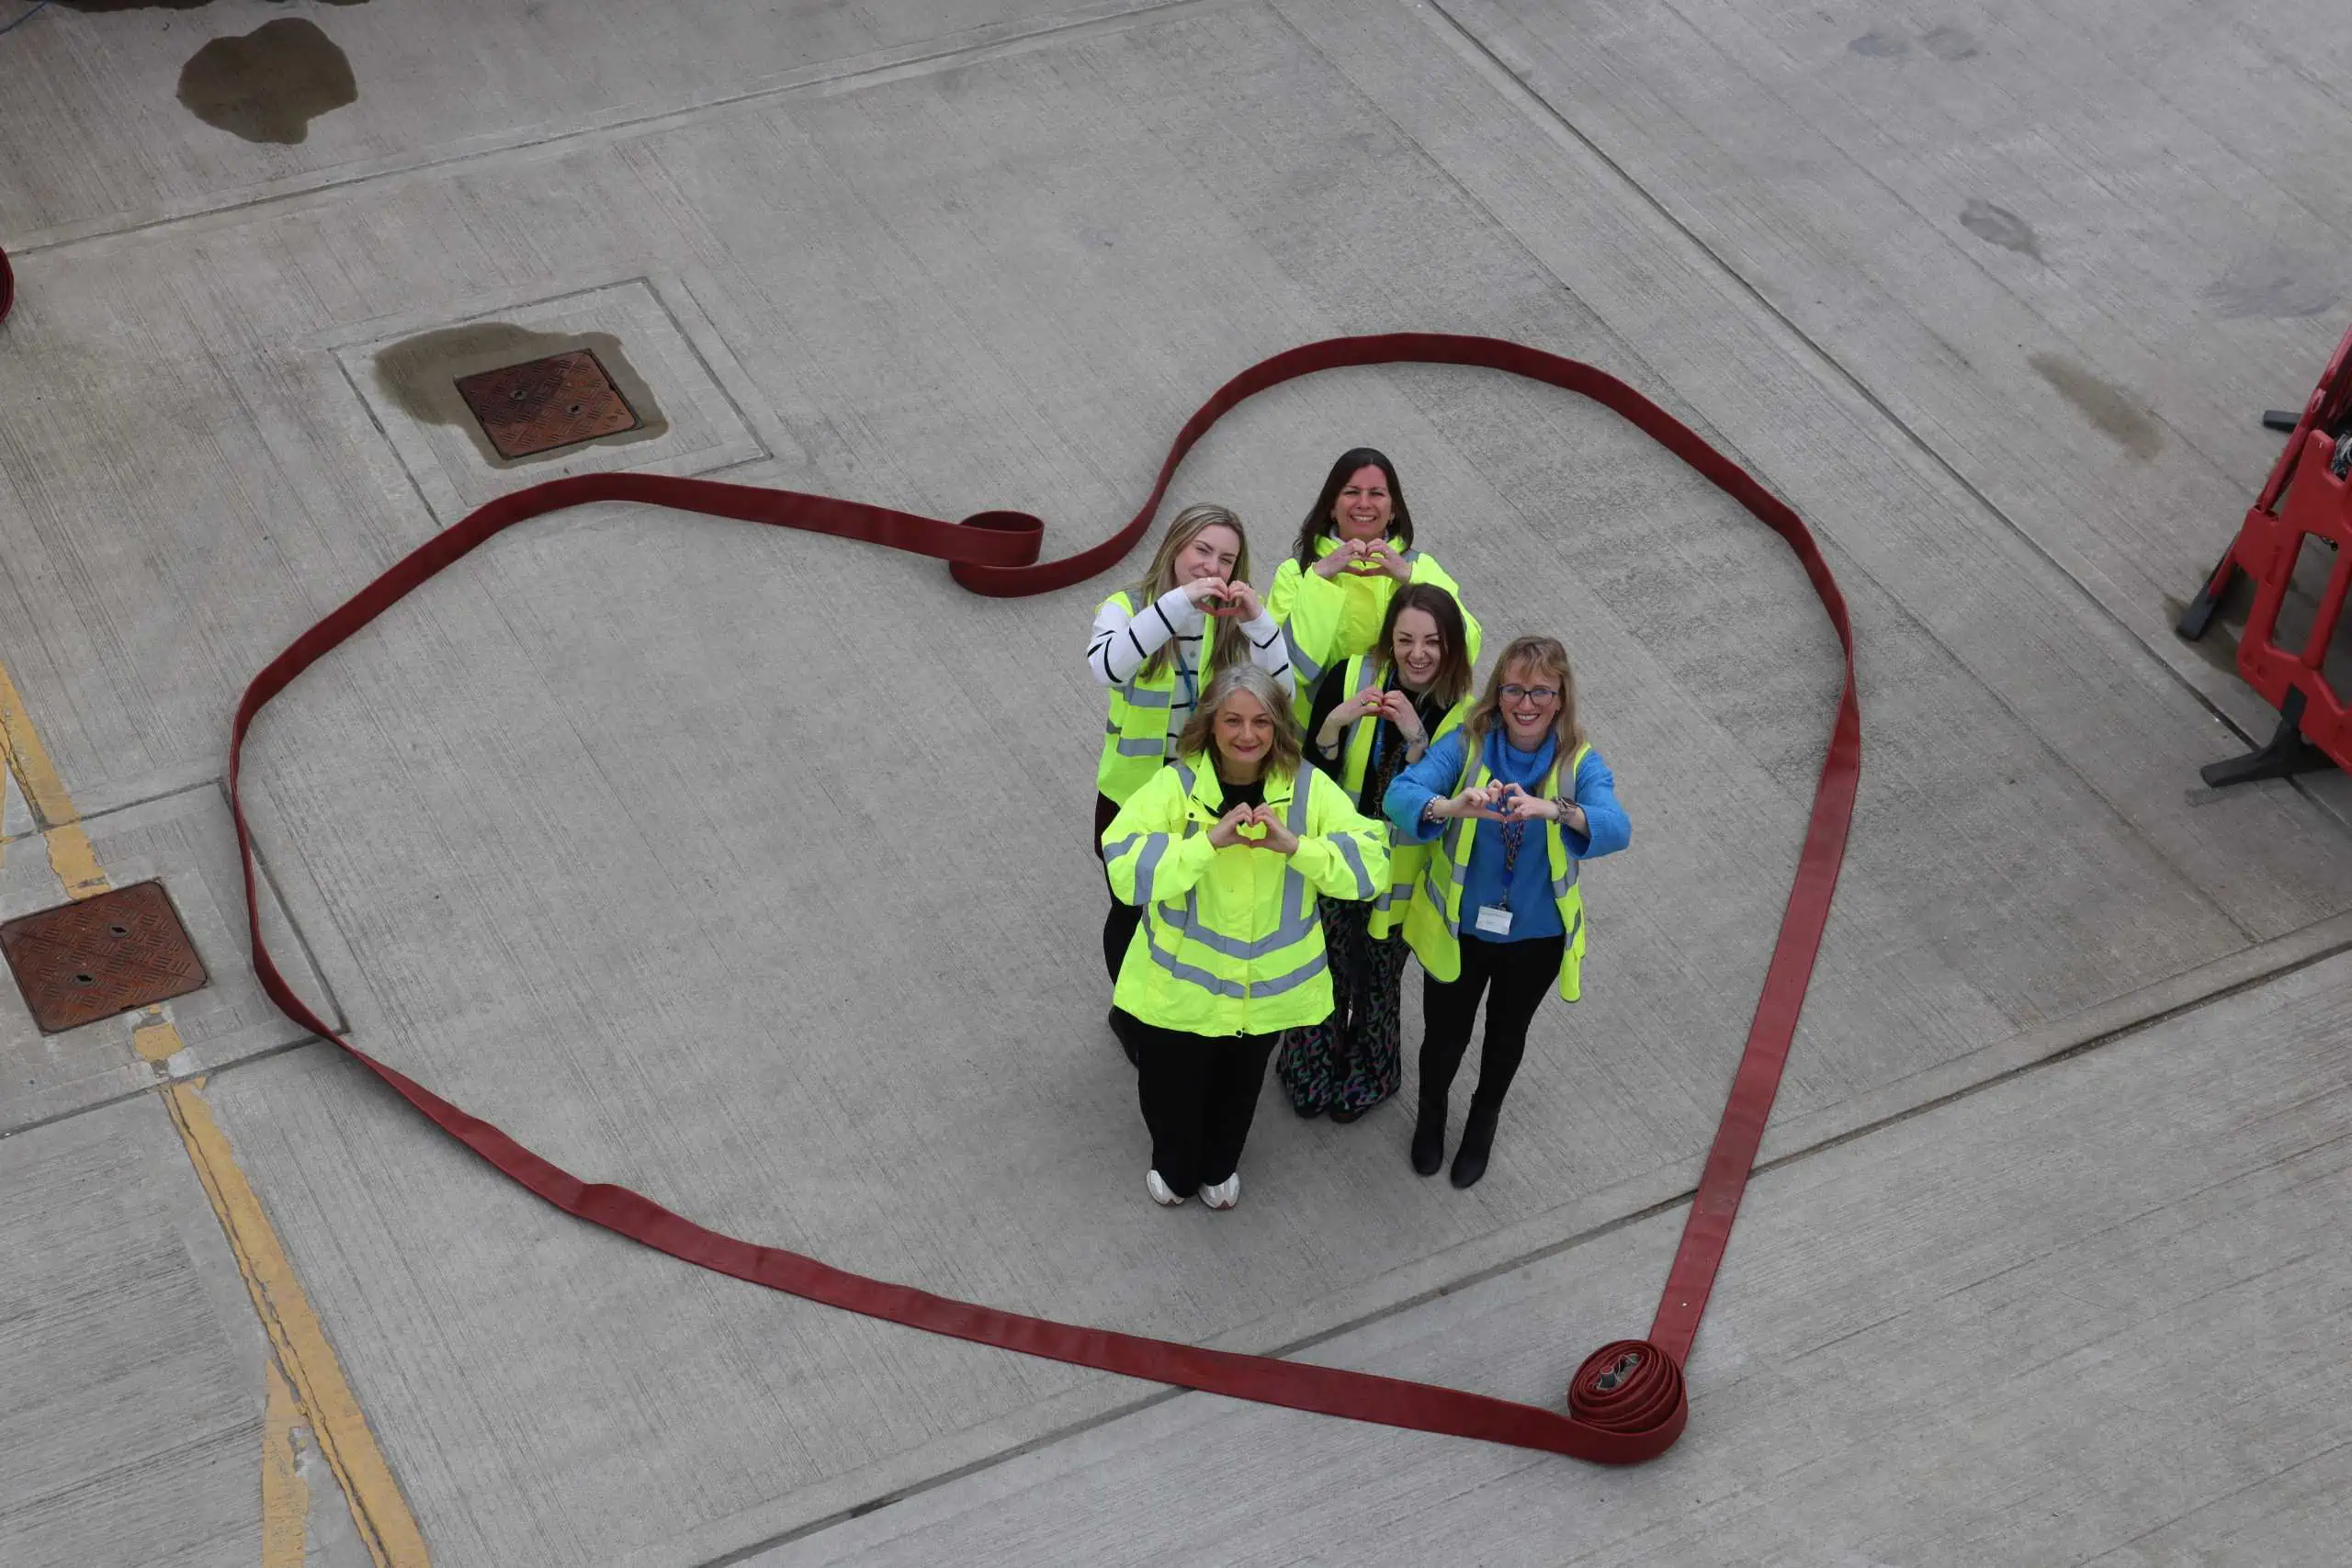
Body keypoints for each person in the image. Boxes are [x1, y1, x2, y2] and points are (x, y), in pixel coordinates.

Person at [1101, 665, 1388, 1209]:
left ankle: (1221, 1163)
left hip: (1264, 993)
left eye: (1261, 721)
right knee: (1169, 1091)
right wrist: (1206, 843)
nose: (1247, 734)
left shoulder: (1307, 786)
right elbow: (1124, 866)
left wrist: (1297, 847)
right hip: (1178, 992)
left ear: (1279, 726)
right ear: (1209, 724)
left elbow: (1371, 863)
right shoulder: (1177, 785)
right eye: (1232, 719)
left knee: (1240, 1087)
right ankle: (1175, 1164)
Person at [1383, 636, 1629, 1190]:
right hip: (1460, 930)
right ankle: (1432, 1116)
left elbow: (1617, 827)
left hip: (1536, 937)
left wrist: (1556, 809)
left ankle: (1482, 1123)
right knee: (1445, 1037)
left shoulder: (1578, 763)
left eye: (1541, 690)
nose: (1526, 702)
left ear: (1561, 698)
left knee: (1504, 1037)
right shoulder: (1468, 745)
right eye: (1514, 688)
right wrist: (1451, 805)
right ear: (1498, 694)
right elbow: (1401, 794)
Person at [1088, 505, 1295, 1063]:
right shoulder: (1127, 607)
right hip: (1130, 799)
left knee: (1182, 910)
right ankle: (1128, 1015)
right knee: (1129, 907)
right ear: (1176, 546)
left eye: (1226, 559)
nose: (1212, 565)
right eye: (1202, 550)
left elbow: (1284, 692)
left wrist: (1257, 622)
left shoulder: (1228, 622)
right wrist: (1180, 603)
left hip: (1196, 795)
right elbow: (1109, 666)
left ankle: (1176, 1006)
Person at [1277, 583, 1476, 1123]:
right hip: (1336, 860)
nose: (1418, 653)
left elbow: (1429, 804)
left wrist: (1416, 742)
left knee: (1379, 980)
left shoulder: (1465, 718)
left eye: (1432, 642)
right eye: (1406, 639)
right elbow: (1308, 778)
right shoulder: (1351, 675)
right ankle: (1308, 1064)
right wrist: (1335, 724)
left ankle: (1374, 1071)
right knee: (1323, 967)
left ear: (1451, 646)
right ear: (1389, 639)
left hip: (1401, 876)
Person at [1265, 447, 1482, 723]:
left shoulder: (1421, 567)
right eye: (1352, 492)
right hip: (1315, 736)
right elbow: (1289, 671)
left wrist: (1411, 579)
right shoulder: (1296, 572)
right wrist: (1319, 581)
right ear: (1332, 506)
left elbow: (1466, 649)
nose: (1364, 503)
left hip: (1400, 734)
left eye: (1376, 494)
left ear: (1393, 510)